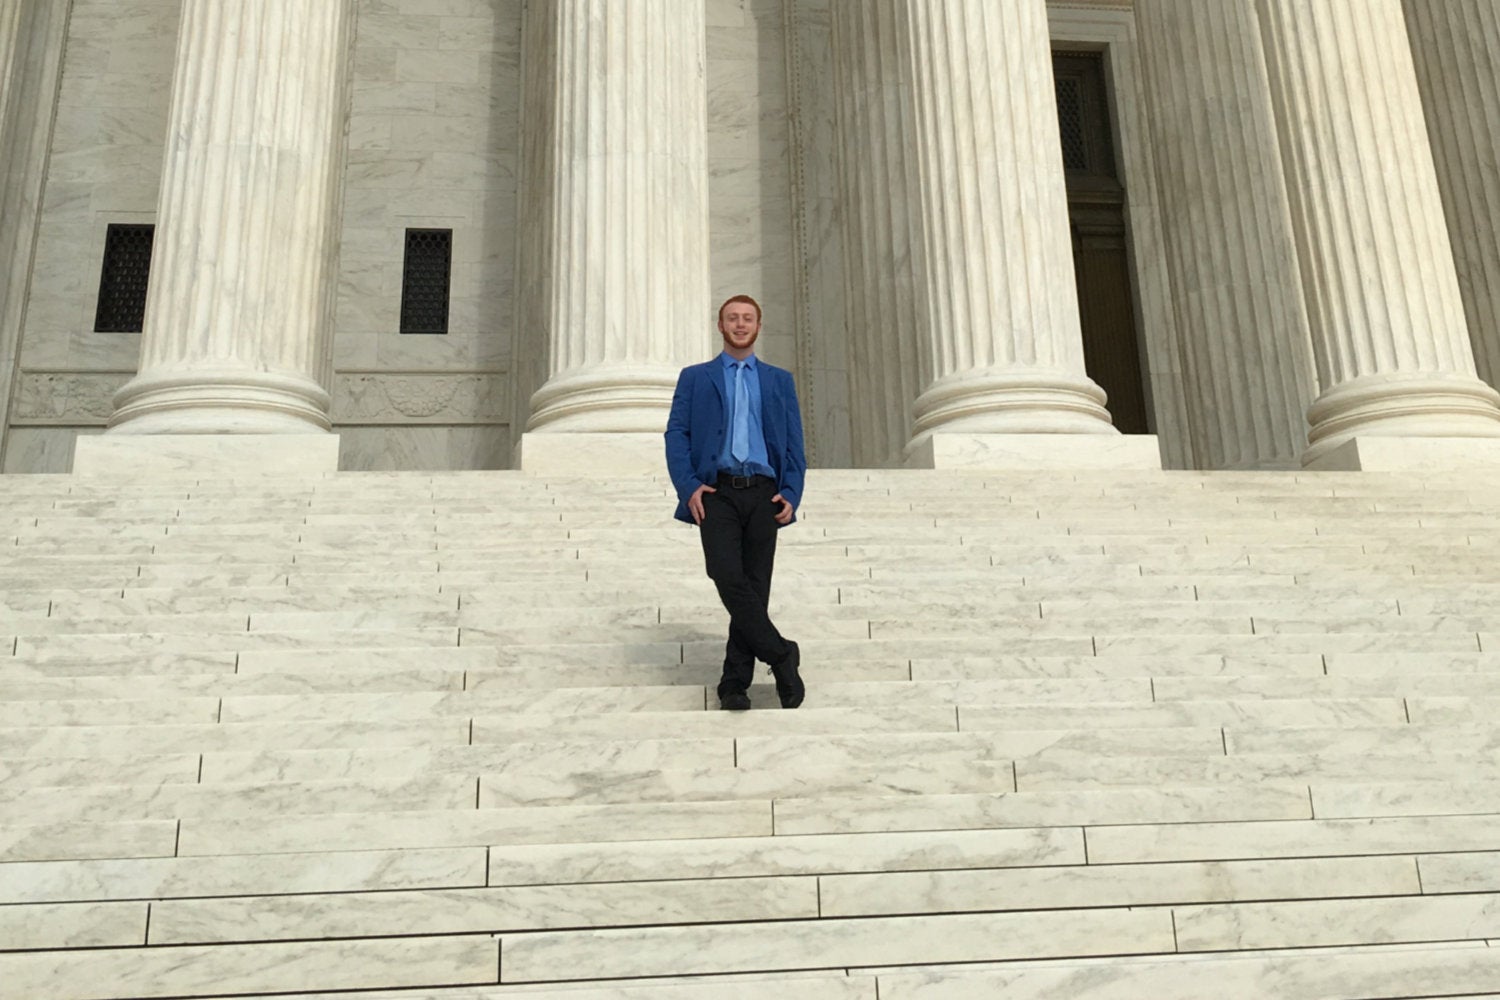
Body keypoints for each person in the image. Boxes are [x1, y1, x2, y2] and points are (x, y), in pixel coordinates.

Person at [665, 294, 807, 712]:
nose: (740, 324)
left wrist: (793, 493)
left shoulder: (779, 380)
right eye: (733, 318)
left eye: (748, 319)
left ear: (758, 326)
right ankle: (782, 654)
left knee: (755, 587)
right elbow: (677, 435)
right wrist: (688, 485)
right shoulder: (696, 377)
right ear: (720, 326)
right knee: (725, 573)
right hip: (717, 492)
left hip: (764, 492)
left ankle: (733, 683)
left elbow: (795, 443)